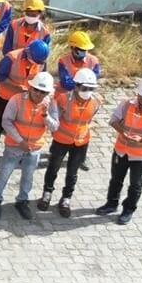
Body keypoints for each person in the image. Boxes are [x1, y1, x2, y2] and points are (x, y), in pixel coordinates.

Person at [98, 76, 142, 225]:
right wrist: (122, 131)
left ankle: (128, 210)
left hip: (141, 157)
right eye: (141, 97)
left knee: (136, 185)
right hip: (121, 151)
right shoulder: (126, 104)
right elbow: (113, 121)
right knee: (116, 180)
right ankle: (111, 204)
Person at [0, 71, 58, 221]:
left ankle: (22, 201)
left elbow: (54, 127)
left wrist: (46, 115)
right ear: (30, 88)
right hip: (14, 146)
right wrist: (20, 141)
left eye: (43, 92)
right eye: (36, 90)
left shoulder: (51, 104)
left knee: (28, 177)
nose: (39, 94)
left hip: (34, 149)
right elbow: (6, 122)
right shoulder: (17, 100)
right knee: (4, 175)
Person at [41, 68, 102, 216]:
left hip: (81, 142)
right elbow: (55, 119)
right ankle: (47, 193)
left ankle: (66, 198)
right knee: (53, 168)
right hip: (61, 140)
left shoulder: (97, 101)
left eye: (91, 88)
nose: (88, 91)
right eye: (84, 88)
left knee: (72, 173)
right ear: (76, 85)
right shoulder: (62, 99)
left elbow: (89, 119)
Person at [0, 39, 50, 165]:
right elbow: (0, 77)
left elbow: (42, 78)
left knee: (21, 125)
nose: (37, 64)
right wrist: (16, 87)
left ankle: (20, 152)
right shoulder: (11, 58)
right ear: (28, 52)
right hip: (6, 97)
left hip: (26, 99)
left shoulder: (40, 61)